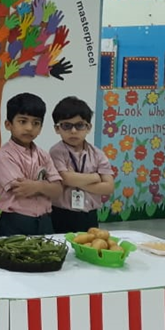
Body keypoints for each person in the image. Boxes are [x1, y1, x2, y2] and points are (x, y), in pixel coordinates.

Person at [0, 93, 63, 237]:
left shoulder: (43, 155)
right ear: (8, 124)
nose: (29, 128)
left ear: (41, 128)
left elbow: (58, 190)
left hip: (45, 221)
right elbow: (21, 189)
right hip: (15, 222)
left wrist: (37, 186)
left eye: (36, 123)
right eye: (23, 121)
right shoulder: (4, 156)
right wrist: (46, 186)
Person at [49, 96, 115, 233]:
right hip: (61, 214)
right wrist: (95, 177)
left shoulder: (98, 154)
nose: (73, 131)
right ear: (57, 129)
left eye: (79, 125)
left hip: (89, 215)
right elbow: (66, 179)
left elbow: (108, 187)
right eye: (66, 126)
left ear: (88, 127)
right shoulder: (56, 152)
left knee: (88, 244)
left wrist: (75, 179)